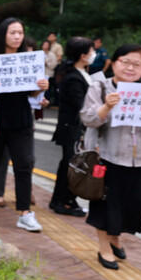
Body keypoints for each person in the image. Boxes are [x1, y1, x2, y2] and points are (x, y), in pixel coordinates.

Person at [80, 44, 141, 269]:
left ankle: (115, 237)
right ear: (114, 62)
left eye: (137, 64)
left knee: (135, 204)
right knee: (107, 205)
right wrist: (106, 107)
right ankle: (104, 247)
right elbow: (88, 119)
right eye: (126, 61)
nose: (130, 67)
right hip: (107, 157)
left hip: (139, 159)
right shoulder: (100, 87)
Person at [0, 18, 49, 231]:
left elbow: (31, 92)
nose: (17, 37)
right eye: (12, 33)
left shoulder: (28, 60)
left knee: (24, 164)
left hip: (21, 120)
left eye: (20, 32)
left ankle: (25, 213)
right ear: (3, 35)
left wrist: (40, 88)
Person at [49, 37, 96, 216]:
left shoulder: (80, 72)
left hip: (74, 127)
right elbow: (81, 104)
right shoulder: (73, 77)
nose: (93, 55)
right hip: (71, 128)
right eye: (91, 52)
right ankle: (62, 201)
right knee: (71, 166)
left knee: (71, 165)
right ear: (83, 56)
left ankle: (65, 199)